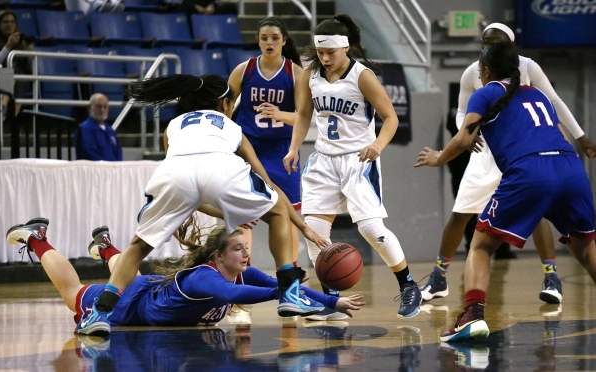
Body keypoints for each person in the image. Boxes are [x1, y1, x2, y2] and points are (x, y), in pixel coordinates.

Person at [70, 74, 330, 336]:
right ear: (225, 104)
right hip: (221, 168)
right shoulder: (231, 126)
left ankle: (100, 313)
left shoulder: (172, 126)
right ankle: (289, 292)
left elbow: (190, 192)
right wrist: (303, 227)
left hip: (174, 173)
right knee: (276, 214)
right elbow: (268, 184)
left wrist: (226, 210)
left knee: (137, 247)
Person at [415, 41, 596, 342]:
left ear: (485, 70)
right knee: (587, 248)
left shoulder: (486, 92)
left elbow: (463, 138)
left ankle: (472, 315)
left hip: (530, 172)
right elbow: (558, 132)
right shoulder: (536, 93)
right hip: (570, 168)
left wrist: (438, 158)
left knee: (481, 246)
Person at [283, 13, 422, 319]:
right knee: (315, 232)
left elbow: (391, 118)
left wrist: (377, 145)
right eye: (320, 52)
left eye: (329, 52)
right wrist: (294, 147)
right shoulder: (311, 74)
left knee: (371, 228)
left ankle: (409, 284)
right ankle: (331, 301)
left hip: (358, 159)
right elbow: (304, 115)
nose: (324, 58)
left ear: (345, 48)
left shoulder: (362, 75)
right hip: (322, 160)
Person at [5, 217, 364, 333]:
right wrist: (281, 296)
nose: (246, 253)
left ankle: (105, 247)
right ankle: (37, 239)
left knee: (126, 272)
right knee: (73, 292)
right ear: (219, 255)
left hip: (147, 291)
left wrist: (333, 301)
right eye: (238, 249)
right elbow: (243, 298)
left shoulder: (240, 270)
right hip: (134, 304)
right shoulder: (205, 278)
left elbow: (286, 285)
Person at [227, 16, 304, 295]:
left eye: (274, 37)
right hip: (248, 150)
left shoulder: (296, 73)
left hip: (283, 152)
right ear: (258, 41)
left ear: (284, 40)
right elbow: (224, 107)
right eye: (264, 38)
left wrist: (279, 114)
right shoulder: (243, 70)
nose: (269, 42)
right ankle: (240, 280)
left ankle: (291, 281)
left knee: (289, 216)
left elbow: (305, 118)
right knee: (242, 216)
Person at [0, 10, 33, 116]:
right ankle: (2, 108)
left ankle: (12, 118)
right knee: (9, 72)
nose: (10, 25)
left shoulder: (20, 41)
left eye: (12, 22)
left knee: (20, 78)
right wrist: (8, 45)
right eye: (6, 22)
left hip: (17, 79)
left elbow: (31, 68)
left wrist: (30, 51)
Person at [75, 93, 123, 161]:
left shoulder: (110, 130)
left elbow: (118, 152)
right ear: (89, 108)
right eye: (98, 106)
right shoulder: (84, 129)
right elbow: (89, 152)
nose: (102, 110)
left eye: (105, 106)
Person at [160, 0, 237, 14]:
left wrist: (213, 5)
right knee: (188, 8)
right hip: (186, 6)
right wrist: (194, 6)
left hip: (208, 7)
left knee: (231, 7)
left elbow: (217, 1)